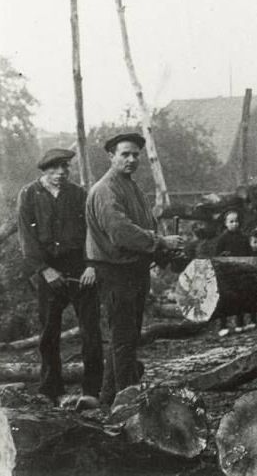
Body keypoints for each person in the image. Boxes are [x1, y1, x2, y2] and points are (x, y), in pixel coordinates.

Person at [86, 133, 186, 405]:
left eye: (135, 155)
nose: (131, 159)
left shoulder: (132, 188)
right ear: (111, 156)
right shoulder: (106, 190)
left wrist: (164, 249)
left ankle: (108, 397)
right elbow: (121, 232)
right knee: (123, 338)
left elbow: (147, 225)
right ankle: (127, 403)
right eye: (125, 154)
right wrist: (161, 242)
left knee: (126, 337)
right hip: (115, 273)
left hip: (133, 271)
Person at [17, 148, 102, 408]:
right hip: (48, 268)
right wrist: (44, 270)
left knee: (90, 330)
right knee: (48, 332)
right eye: (54, 169)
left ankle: (92, 390)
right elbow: (26, 238)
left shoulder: (79, 194)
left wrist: (91, 265)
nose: (61, 174)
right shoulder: (29, 195)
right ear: (44, 171)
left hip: (80, 266)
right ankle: (51, 390)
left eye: (65, 168)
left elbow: (93, 231)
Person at [214, 210, 253, 336]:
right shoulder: (222, 238)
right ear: (226, 223)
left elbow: (249, 254)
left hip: (240, 272)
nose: (234, 224)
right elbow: (217, 256)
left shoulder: (243, 237)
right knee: (225, 299)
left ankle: (240, 323)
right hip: (227, 273)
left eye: (236, 221)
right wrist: (223, 257)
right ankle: (223, 326)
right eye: (231, 222)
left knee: (240, 297)